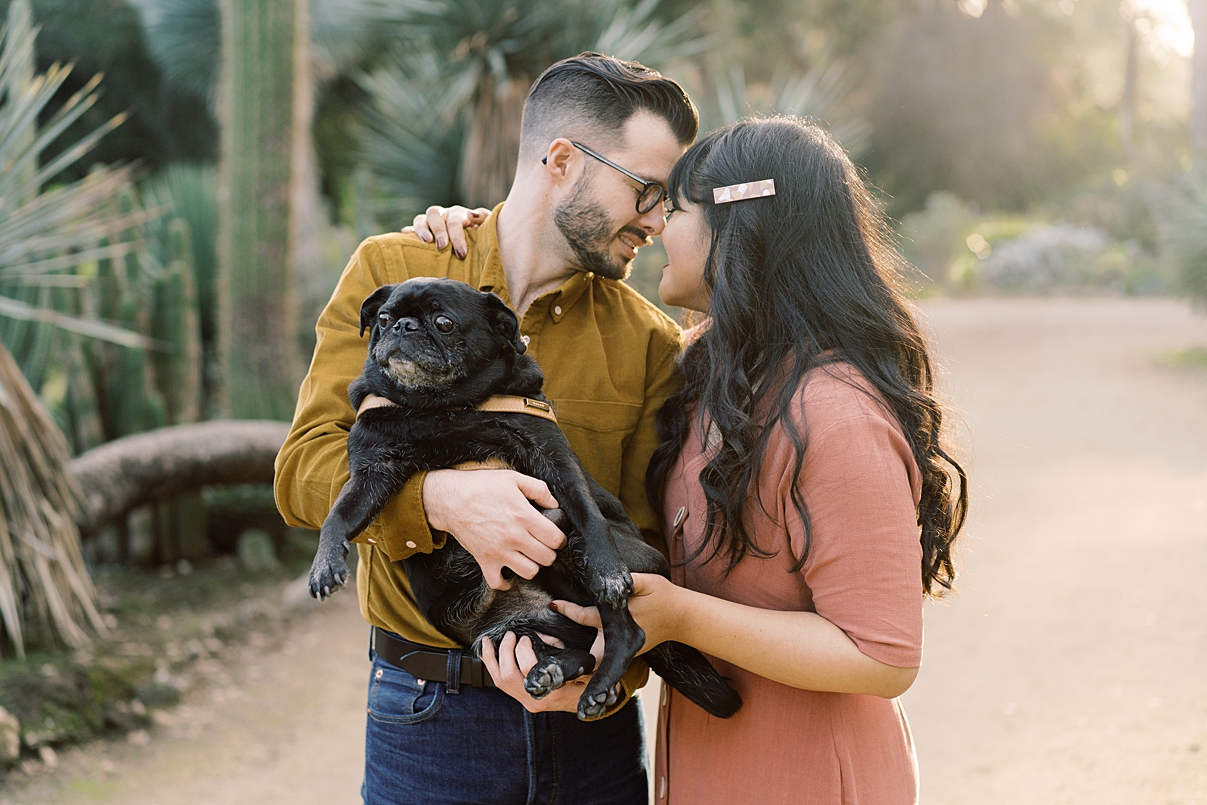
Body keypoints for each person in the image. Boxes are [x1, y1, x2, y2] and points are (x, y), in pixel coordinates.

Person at [274, 53, 698, 804]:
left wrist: (613, 670)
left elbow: (640, 534)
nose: (658, 220)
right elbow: (302, 471)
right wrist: (435, 499)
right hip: (431, 722)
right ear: (562, 160)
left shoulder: (648, 341)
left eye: (669, 201)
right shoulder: (396, 266)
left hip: (590, 730)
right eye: (645, 189)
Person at [539, 117, 967, 804]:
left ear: (736, 226)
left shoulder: (836, 413)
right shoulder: (710, 368)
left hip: (809, 779)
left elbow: (881, 655)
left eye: (673, 208)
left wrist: (679, 615)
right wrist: (480, 238)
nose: (652, 226)